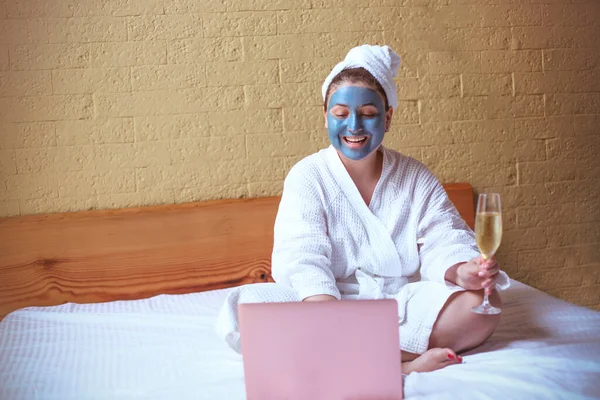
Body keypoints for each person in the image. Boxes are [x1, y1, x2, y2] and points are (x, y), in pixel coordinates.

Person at [216, 44, 510, 374]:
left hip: (398, 304)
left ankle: (354, 359)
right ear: (326, 116)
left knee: (484, 304)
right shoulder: (307, 176)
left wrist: (460, 270)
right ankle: (404, 364)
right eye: (341, 114)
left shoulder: (414, 176)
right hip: (326, 303)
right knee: (249, 310)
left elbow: (444, 237)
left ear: (387, 117)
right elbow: (302, 258)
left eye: (368, 114)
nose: (354, 126)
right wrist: (331, 316)